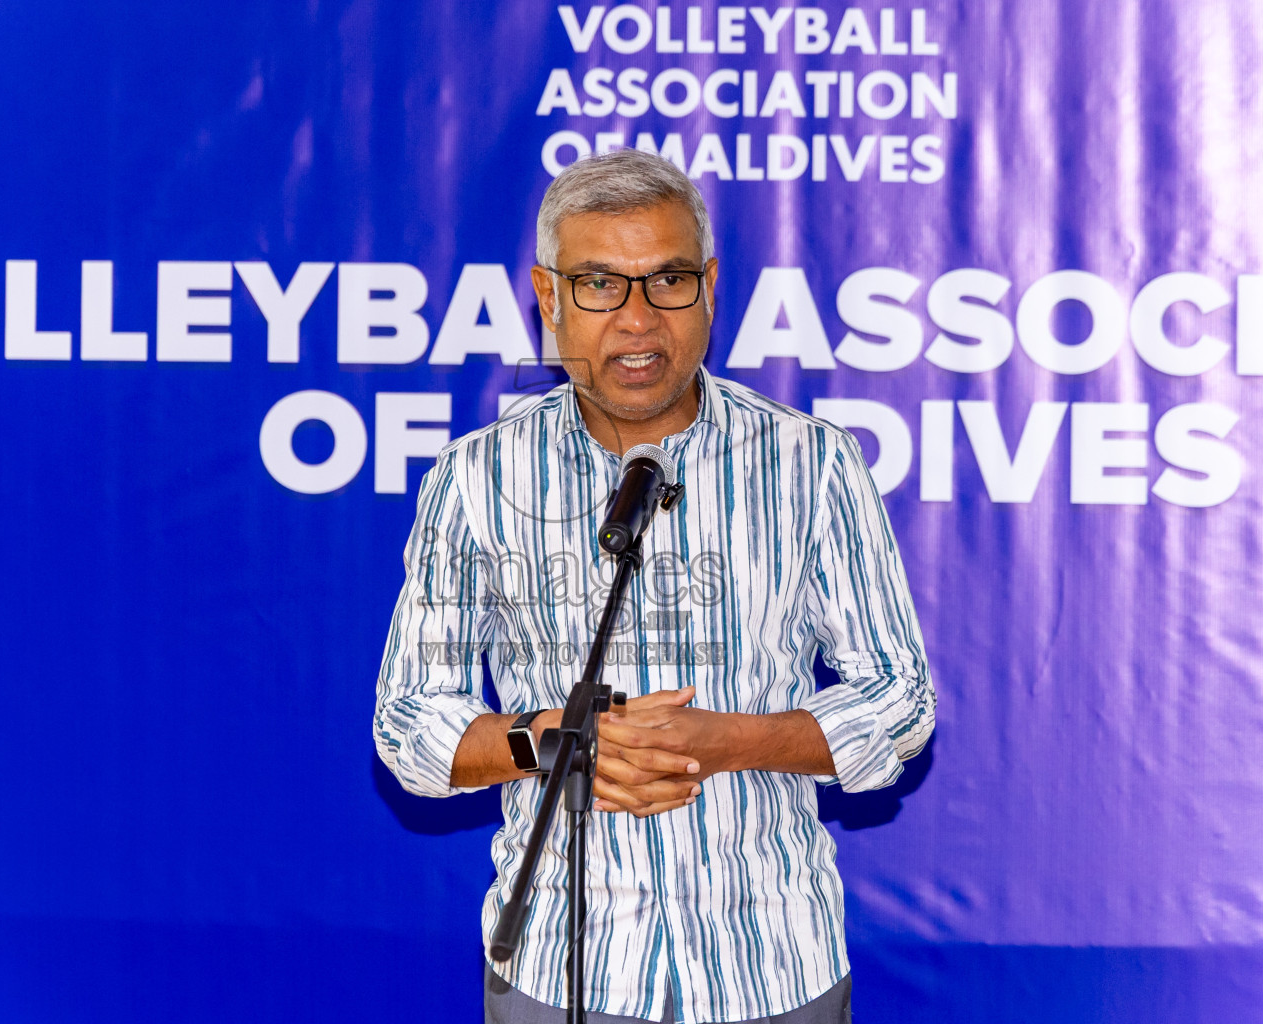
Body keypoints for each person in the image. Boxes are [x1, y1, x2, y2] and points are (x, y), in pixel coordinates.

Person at [374, 149, 933, 1024]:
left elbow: (900, 700)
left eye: (667, 280)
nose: (637, 320)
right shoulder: (476, 479)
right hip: (564, 971)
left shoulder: (811, 464)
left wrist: (728, 742)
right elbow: (409, 723)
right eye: (598, 284)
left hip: (771, 965)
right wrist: (557, 742)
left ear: (709, 287)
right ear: (549, 300)